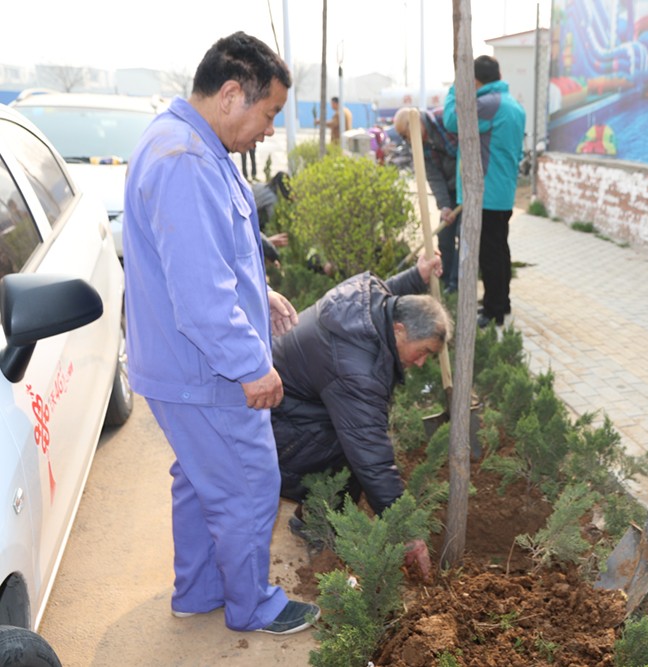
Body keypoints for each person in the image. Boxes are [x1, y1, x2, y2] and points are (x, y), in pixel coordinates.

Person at [123, 32, 320, 635]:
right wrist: (252, 366)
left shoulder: (192, 146)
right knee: (248, 482)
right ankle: (251, 605)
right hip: (203, 371)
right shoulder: (185, 161)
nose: (268, 130)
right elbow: (203, 298)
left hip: (182, 366)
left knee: (201, 478)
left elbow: (204, 259)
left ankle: (200, 591)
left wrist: (258, 291)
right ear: (233, 94)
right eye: (269, 114)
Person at [270, 253, 451, 580]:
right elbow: (372, 454)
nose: (422, 363)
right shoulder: (358, 369)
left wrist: (417, 275)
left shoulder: (365, 300)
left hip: (293, 404)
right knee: (353, 449)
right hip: (277, 428)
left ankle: (318, 514)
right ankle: (320, 524)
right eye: (422, 352)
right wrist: (406, 533)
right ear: (398, 332)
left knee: (356, 438)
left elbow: (390, 295)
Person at [443, 55, 526, 328]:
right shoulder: (513, 105)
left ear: (475, 80)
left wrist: (456, 88)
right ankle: (502, 300)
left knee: (488, 255)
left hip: (486, 192)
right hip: (502, 191)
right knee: (499, 249)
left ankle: (493, 312)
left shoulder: (488, 105)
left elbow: (453, 121)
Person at [394, 106, 461, 293]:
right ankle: (446, 278)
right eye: (405, 138)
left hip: (466, 187)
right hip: (449, 190)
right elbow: (433, 176)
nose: (409, 140)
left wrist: (465, 188)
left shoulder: (444, 120)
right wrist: (445, 206)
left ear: (416, 124)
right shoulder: (418, 145)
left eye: (408, 135)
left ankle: (457, 284)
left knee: (464, 237)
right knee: (445, 236)